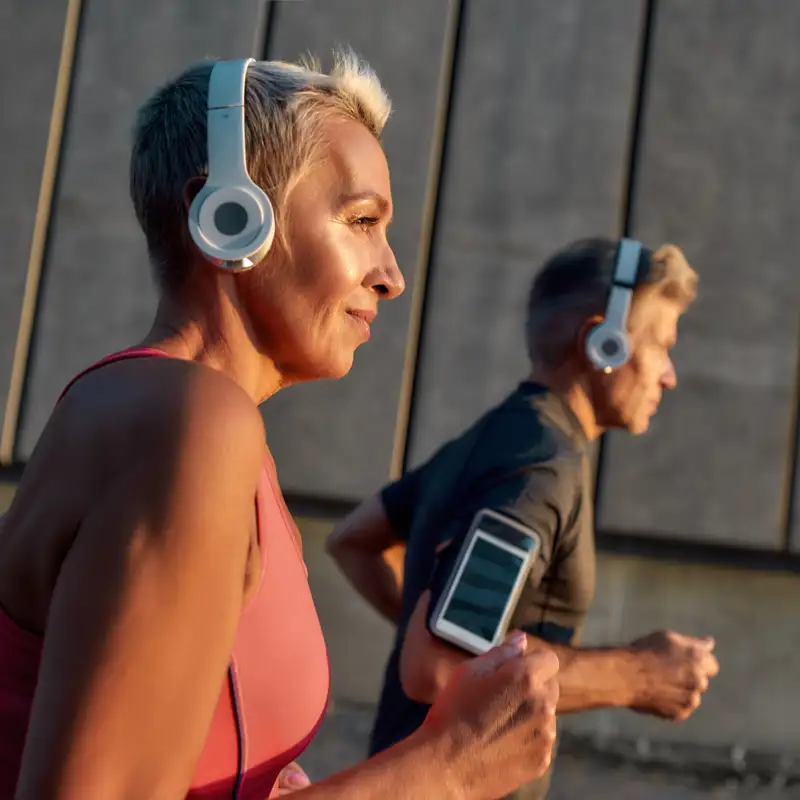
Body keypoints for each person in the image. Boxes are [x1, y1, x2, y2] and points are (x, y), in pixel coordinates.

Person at [0, 54, 561, 800]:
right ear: (228, 216)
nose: (391, 276)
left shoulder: (192, 422)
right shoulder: (184, 425)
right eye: (361, 222)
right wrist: (447, 769)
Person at [327, 237, 721, 799]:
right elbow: (441, 666)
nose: (669, 375)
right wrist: (641, 676)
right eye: (661, 346)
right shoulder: (540, 468)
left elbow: (354, 539)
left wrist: (441, 624)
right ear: (602, 341)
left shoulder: (496, 437)